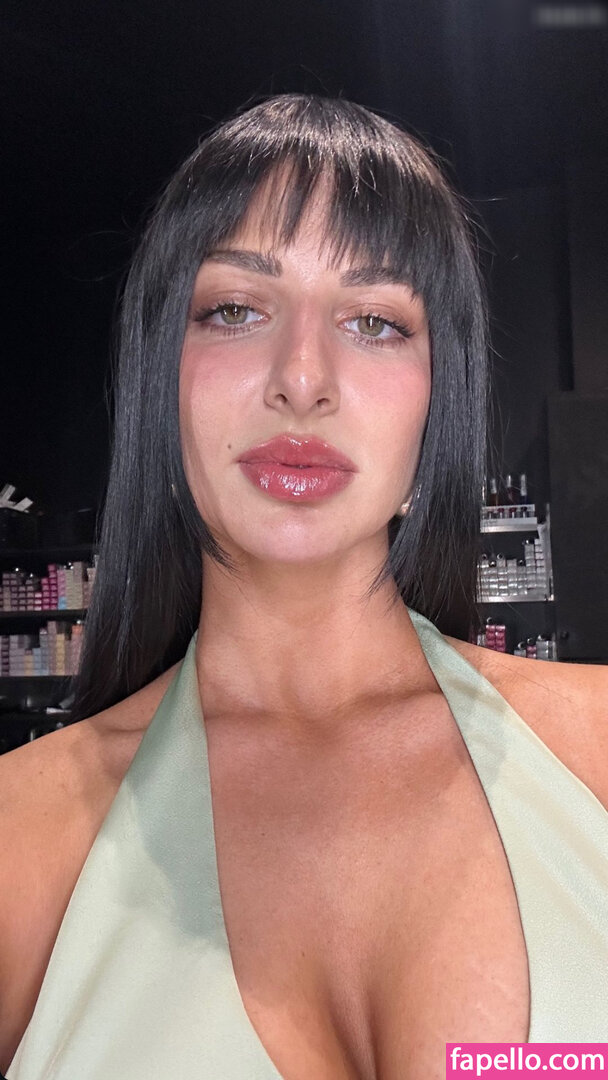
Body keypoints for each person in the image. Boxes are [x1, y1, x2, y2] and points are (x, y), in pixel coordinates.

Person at [1, 94, 607, 1080]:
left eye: (374, 321)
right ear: (160, 379)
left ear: (439, 399)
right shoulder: (19, 843)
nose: (301, 377)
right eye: (235, 310)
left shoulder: (596, 752)